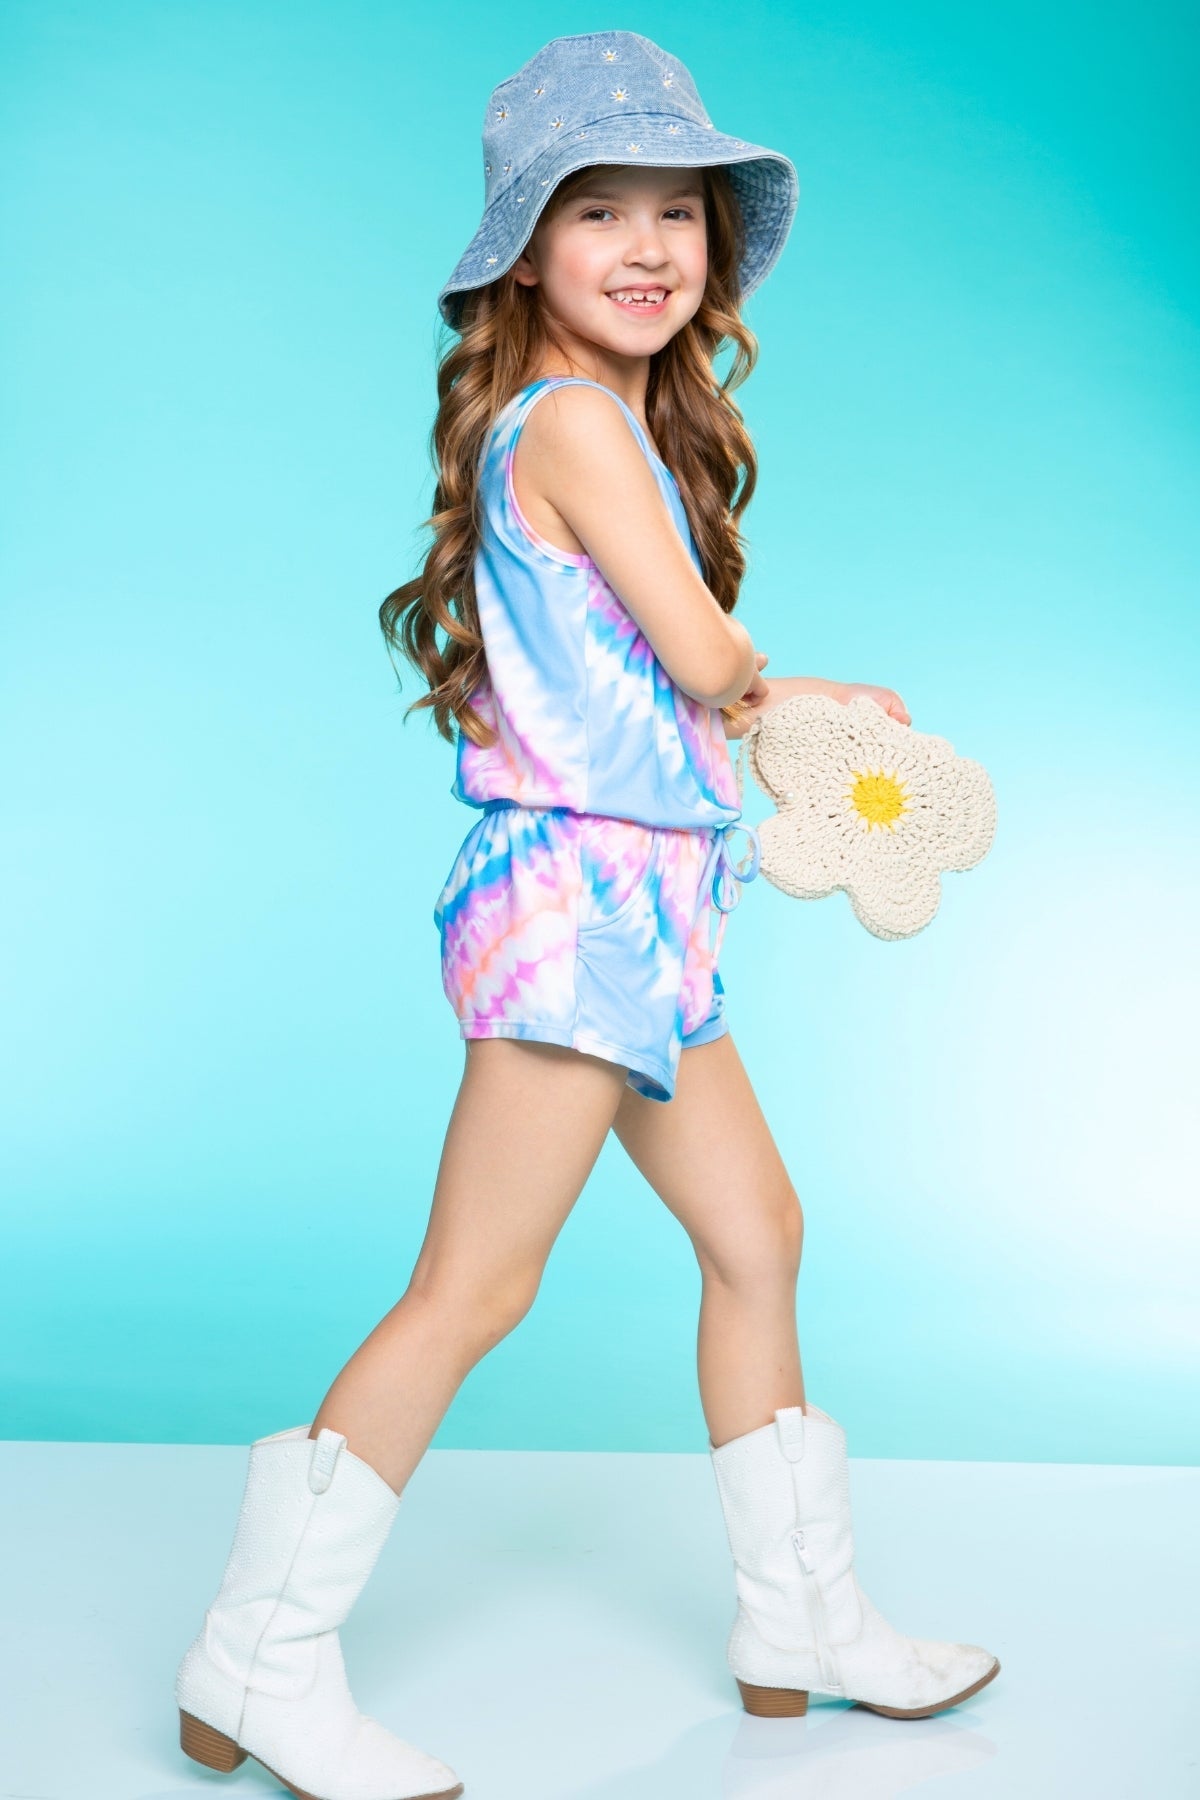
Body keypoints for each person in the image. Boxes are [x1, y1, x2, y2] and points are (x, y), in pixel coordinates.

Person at [173, 30, 1000, 1800]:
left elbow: (644, 676)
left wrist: (789, 697)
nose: (646, 246)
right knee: (474, 1288)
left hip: (644, 902)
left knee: (757, 1234)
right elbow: (696, 653)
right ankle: (259, 1656)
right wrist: (763, 680)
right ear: (527, 250)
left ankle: (801, 1622)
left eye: (675, 211)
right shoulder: (573, 425)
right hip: (577, 911)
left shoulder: (586, 424)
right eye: (597, 209)